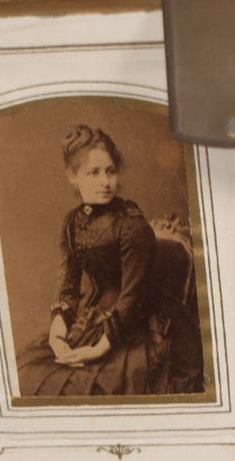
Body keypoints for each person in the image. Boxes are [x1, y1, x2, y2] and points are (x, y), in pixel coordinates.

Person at [16, 125, 203, 397]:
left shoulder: (131, 224)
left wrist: (96, 350)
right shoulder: (72, 223)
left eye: (110, 171)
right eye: (93, 173)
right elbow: (68, 287)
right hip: (90, 321)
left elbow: (130, 299)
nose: (105, 181)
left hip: (137, 329)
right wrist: (57, 337)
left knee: (86, 388)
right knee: (28, 374)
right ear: (73, 176)